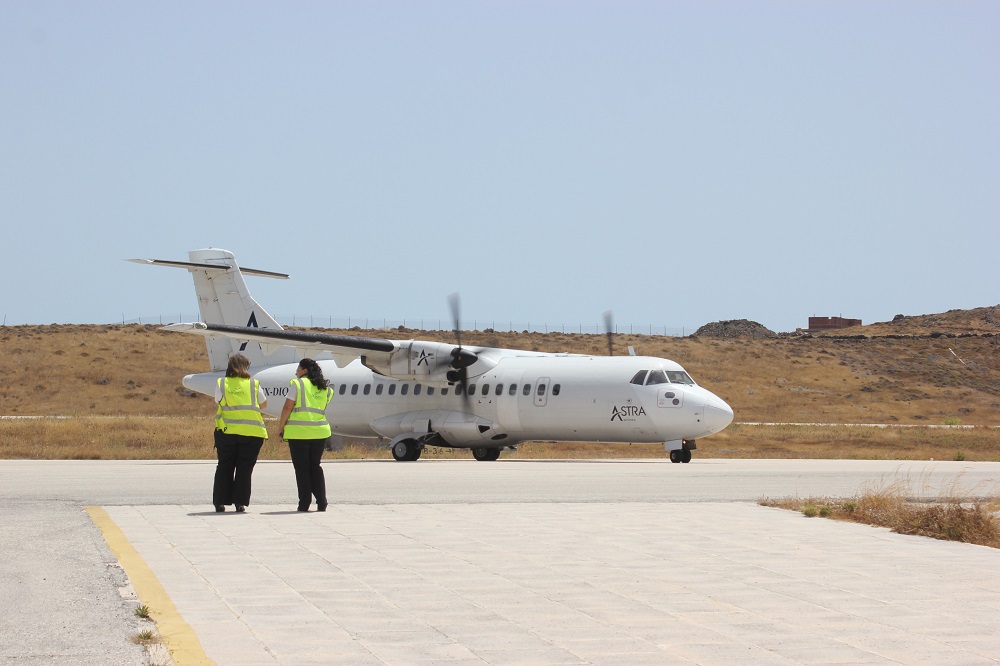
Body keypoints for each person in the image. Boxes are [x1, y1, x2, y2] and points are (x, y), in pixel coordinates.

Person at [212, 353, 268, 513]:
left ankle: (220, 502)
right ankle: (240, 502)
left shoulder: (222, 383)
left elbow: (218, 401)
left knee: (224, 466)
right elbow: (264, 404)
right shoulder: (253, 384)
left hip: (227, 432)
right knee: (244, 469)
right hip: (252, 433)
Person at [277, 358, 334, 512]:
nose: (296, 372)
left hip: (299, 432)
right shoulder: (325, 388)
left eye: (298, 369)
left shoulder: (298, 384)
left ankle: (304, 503)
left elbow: (288, 407)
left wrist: (281, 427)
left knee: (301, 468)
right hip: (320, 432)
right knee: (315, 466)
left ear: (305, 370)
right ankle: (322, 501)